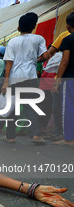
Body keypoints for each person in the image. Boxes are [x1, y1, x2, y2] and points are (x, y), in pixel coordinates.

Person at [1, 12, 50, 144]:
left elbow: (9, 63)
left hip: (15, 78)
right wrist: (35, 61)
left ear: (18, 28)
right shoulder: (38, 39)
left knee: (13, 108)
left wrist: (5, 83)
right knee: (31, 106)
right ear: (33, 26)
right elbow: (46, 56)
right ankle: (35, 135)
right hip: (31, 77)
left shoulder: (12, 41)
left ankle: (10, 137)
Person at [53, 12, 74, 147]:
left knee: (68, 108)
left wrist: (57, 81)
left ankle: (69, 139)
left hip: (70, 78)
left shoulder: (68, 39)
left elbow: (65, 61)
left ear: (67, 25)